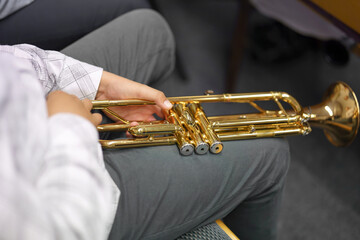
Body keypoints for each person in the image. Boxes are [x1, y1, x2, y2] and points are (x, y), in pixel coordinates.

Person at [0, 9, 290, 240]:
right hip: (63, 197)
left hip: (26, 103)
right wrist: (71, 128)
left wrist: (98, 87)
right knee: (270, 153)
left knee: (152, 31)